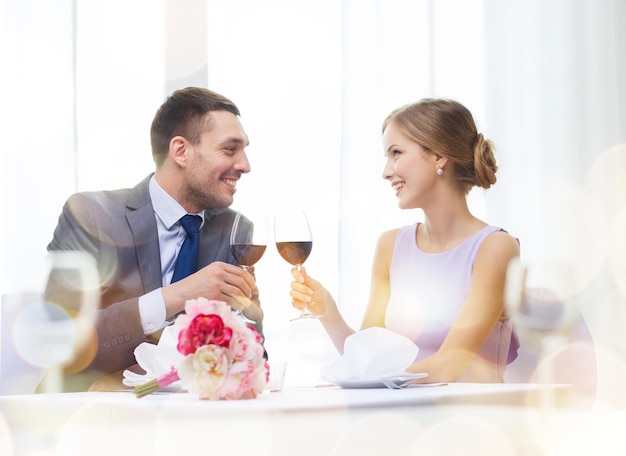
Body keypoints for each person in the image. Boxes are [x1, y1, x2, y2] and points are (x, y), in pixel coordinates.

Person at [290, 98, 520, 383]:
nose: (386, 172)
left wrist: (367, 380)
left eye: (396, 153)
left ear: (439, 156)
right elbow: (367, 358)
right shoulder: (390, 246)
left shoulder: (495, 247)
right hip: (404, 413)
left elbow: (451, 363)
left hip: (473, 419)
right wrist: (328, 311)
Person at [48, 87, 263, 387]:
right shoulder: (90, 216)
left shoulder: (234, 230)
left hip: (189, 420)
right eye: (230, 149)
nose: (245, 165)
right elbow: (57, 340)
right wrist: (175, 296)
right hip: (87, 414)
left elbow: (252, 351)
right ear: (180, 151)